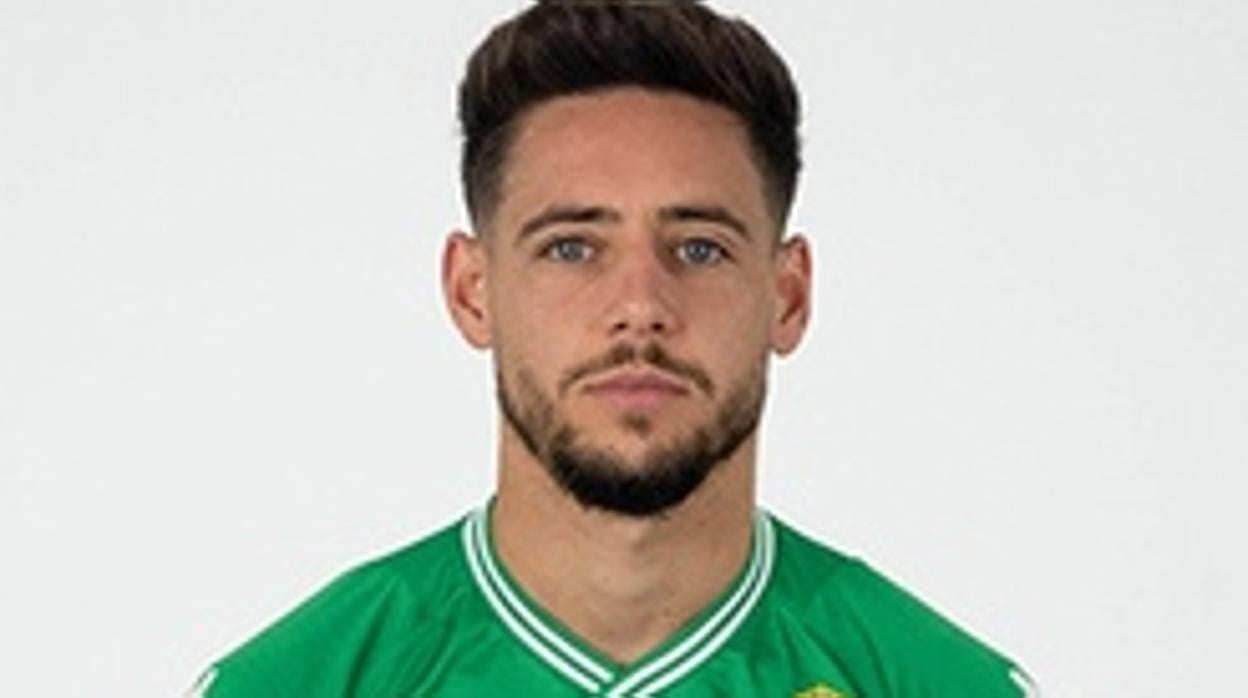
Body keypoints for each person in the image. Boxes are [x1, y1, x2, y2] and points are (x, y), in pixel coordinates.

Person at [193, 1, 1036, 696]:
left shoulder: (941, 685)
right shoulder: (299, 683)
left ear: (788, 297)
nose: (640, 307)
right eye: (571, 248)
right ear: (472, 291)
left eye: (699, 248)